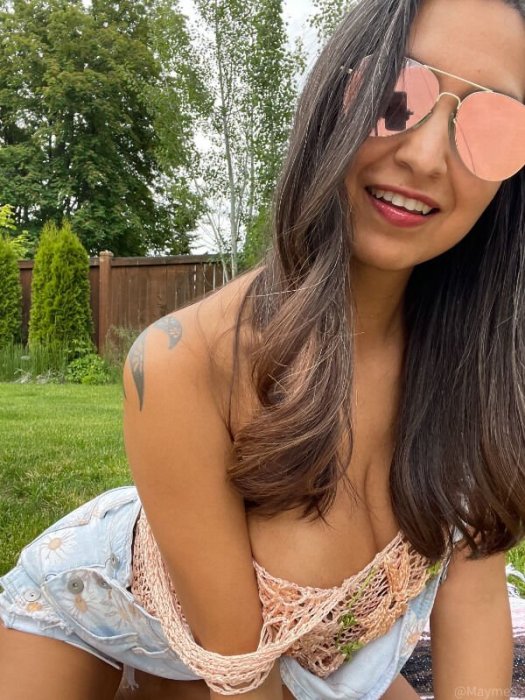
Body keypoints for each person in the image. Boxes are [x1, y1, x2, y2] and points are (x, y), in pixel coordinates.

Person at [1, 0, 525, 697]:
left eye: (494, 125)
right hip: (103, 624)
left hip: (297, 657)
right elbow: (239, 678)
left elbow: (476, 604)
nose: (425, 156)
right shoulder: (187, 362)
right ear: (334, 100)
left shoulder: (479, 381)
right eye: (397, 96)